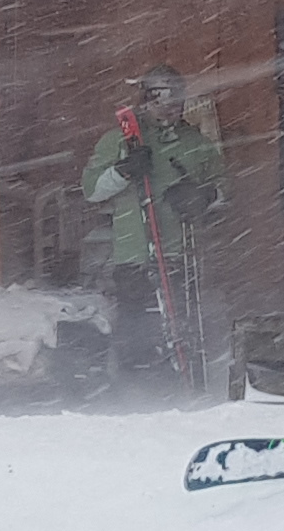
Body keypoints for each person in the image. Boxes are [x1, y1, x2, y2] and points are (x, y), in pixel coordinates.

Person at [79, 67, 225, 387]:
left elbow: (222, 189)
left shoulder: (195, 142)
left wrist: (204, 196)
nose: (171, 107)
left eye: (176, 99)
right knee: (137, 329)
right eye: (161, 99)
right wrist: (123, 171)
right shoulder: (119, 141)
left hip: (180, 253)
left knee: (182, 325)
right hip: (133, 253)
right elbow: (91, 190)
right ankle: (139, 391)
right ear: (146, 100)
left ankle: (184, 384)